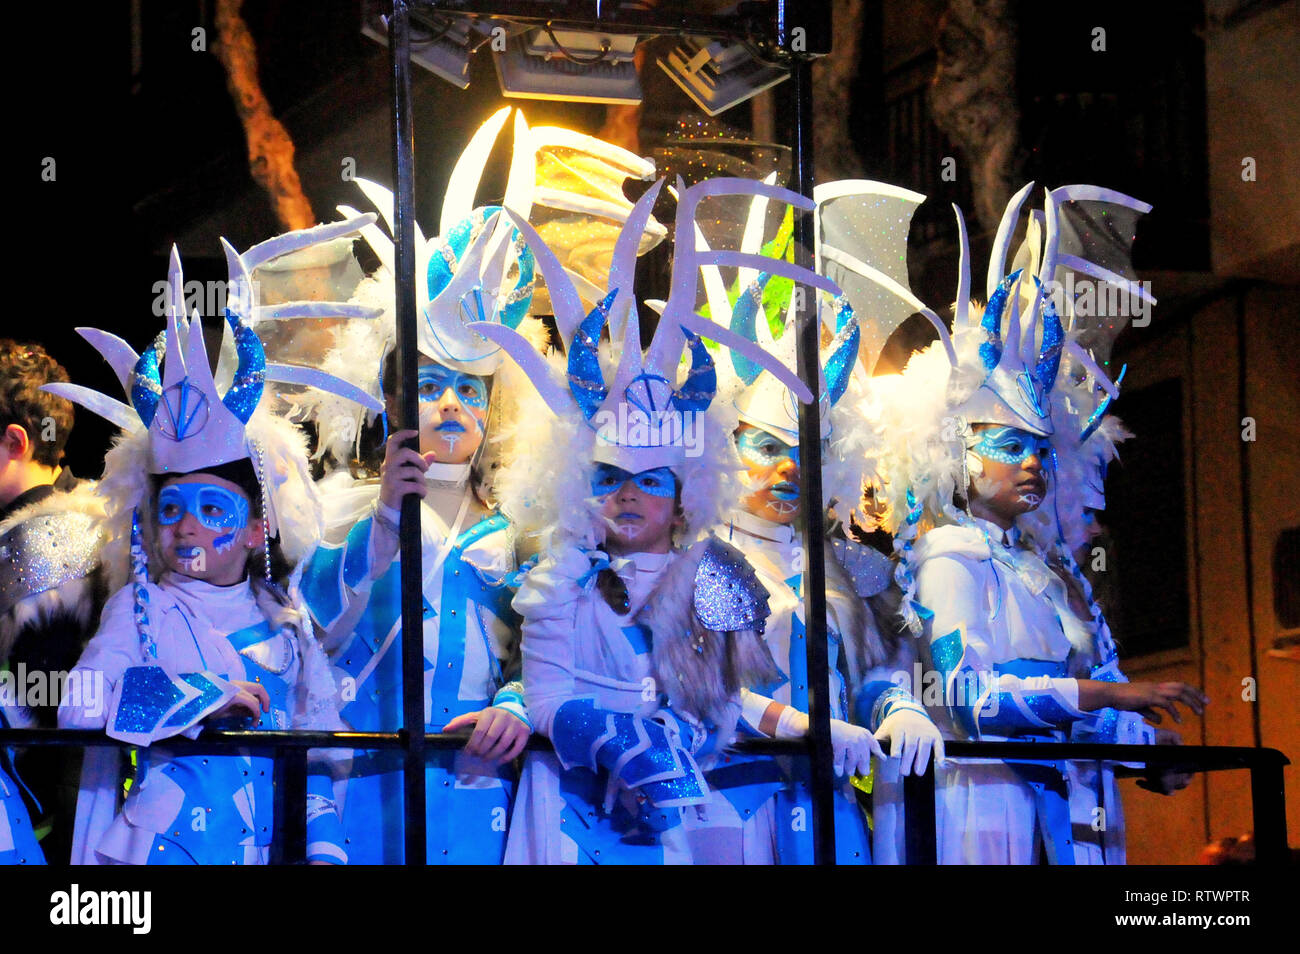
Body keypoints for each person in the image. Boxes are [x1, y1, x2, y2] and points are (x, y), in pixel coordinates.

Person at [481, 175, 880, 864]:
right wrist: (614, 737)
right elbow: (544, 696)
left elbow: (728, 704)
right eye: (609, 480)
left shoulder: (716, 578)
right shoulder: (559, 579)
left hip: (694, 813)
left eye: (648, 481)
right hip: (580, 810)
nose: (628, 495)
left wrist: (812, 728)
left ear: (681, 490)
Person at [870, 185, 1207, 863]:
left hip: (1074, 814)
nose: (1031, 464)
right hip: (986, 812)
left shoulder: (1054, 567)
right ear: (958, 455)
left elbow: (1092, 697)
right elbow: (971, 701)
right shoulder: (947, 556)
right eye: (1008, 446)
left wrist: (1146, 746)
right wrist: (1107, 693)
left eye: (1041, 450)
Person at [53, 242, 378, 864]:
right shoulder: (139, 607)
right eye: (171, 509)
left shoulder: (289, 620)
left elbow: (316, 742)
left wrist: (326, 845)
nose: (187, 528)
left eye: (212, 511)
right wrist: (199, 696)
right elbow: (80, 701)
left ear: (257, 530)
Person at [1, 340, 107, 864]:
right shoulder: (89, 518)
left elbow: (41, 707)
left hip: (49, 829)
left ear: (17, 441)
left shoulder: (57, 540)